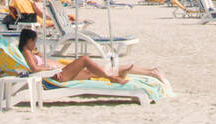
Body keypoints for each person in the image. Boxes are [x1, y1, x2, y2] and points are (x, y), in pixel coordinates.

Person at [16, 27, 163, 85]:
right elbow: (34, 69)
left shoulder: (32, 52)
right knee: (85, 59)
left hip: (59, 71)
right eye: (34, 41)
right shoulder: (26, 52)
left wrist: (41, 56)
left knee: (92, 71)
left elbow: (40, 62)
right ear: (28, 41)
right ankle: (112, 78)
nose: (35, 44)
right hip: (56, 75)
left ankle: (142, 72)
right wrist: (50, 69)